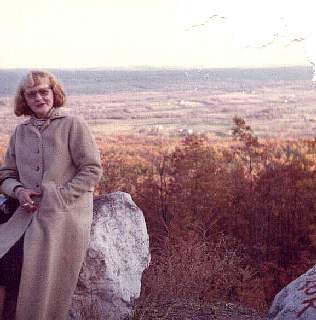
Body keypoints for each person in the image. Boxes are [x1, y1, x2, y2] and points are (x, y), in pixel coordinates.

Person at [0, 70, 103, 320]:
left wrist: (59, 197)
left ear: (53, 93)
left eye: (43, 91)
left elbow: (92, 170)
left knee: (34, 271)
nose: (38, 98)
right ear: (24, 99)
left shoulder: (73, 125)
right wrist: (19, 190)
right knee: (3, 264)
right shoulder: (20, 133)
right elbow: (5, 174)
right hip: (23, 213)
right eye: (31, 94)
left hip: (62, 215)